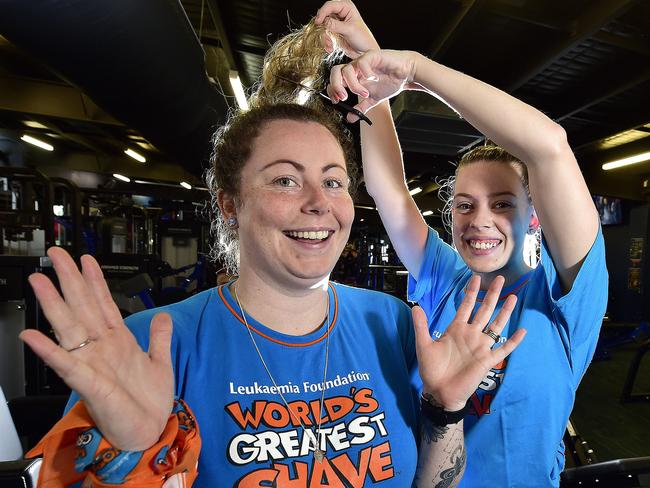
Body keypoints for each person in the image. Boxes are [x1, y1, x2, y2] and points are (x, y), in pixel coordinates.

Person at [18, 54, 525, 487]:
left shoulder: (391, 323)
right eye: (285, 180)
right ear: (230, 204)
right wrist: (135, 453)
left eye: (333, 181)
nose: (318, 204)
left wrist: (445, 409)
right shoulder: (156, 343)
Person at [315, 2, 608, 486]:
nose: (480, 221)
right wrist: (371, 72)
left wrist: (416, 71)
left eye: (502, 204)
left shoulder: (563, 298)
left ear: (534, 215)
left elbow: (549, 145)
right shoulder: (442, 280)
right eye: (466, 205)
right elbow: (388, 187)